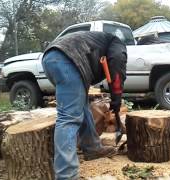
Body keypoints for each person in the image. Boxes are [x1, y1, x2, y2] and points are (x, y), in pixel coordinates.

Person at [42, 31, 127, 180]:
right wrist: (117, 96)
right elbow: (117, 66)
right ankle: (66, 175)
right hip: (67, 59)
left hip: (52, 58)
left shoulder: (100, 40)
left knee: (82, 107)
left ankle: (92, 148)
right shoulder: (117, 44)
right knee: (68, 118)